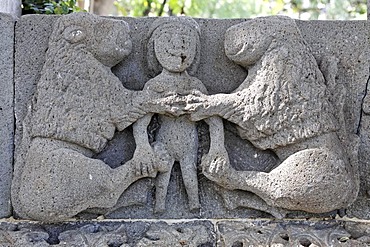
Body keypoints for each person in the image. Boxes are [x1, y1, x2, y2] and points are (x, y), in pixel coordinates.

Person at [175, 16, 359, 214]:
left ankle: (233, 180)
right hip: (318, 164)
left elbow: (258, 109)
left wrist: (214, 104)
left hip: (323, 169)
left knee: (278, 189)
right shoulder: (265, 71)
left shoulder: (285, 66)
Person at [133, 17, 229, 213]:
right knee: (163, 178)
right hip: (164, 142)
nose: (177, 45)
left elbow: (214, 120)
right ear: (154, 48)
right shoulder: (154, 86)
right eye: (168, 38)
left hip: (189, 141)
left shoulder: (195, 86)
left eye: (185, 39)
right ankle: (159, 205)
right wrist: (143, 147)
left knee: (190, 175)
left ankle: (195, 204)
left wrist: (217, 148)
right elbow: (141, 122)